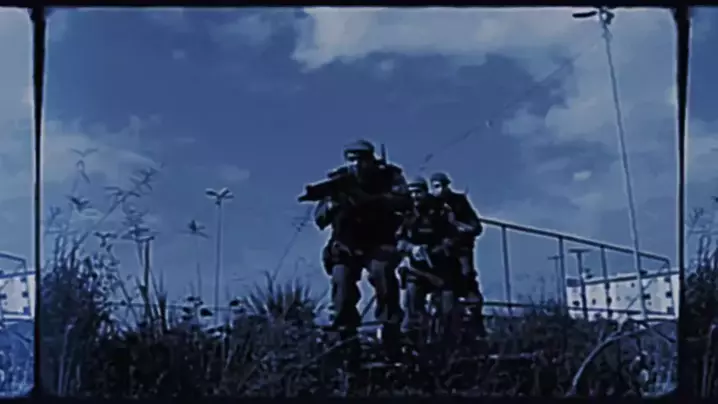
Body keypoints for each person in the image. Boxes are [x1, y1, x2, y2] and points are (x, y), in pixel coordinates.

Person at [313, 139, 409, 359]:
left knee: (382, 274)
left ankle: (391, 332)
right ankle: (346, 338)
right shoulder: (339, 180)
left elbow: (404, 202)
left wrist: (374, 201)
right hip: (346, 243)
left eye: (361, 159)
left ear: (371, 160)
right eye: (351, 159)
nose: (356, 164)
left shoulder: (389, 177)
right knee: (341, 281)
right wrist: (332, 204)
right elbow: (320, 219)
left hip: (379, 240)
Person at [396, 176, 464, 348]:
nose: (415, 196)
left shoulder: (441, 211)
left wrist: (436, 250)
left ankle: (449, 346)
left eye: (418, 192)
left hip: (442, 268)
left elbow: (454, 236)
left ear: (425, 192)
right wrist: (411, 248)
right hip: (416, 269)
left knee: (448, 312)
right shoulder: (405, 213)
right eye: (411, 193)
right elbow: (397, 240)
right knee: (412, 307)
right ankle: (412, 346)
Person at [429, 171, 487, 337]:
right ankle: (444, 327)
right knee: (442, 286)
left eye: (443, 185)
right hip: (439, 251)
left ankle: (474, 322)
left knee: (467, 278)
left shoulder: (459, 201)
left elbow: (476, 227)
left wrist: (458, 226)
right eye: (436, 186)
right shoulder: (429, 203)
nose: (441, 189)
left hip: (461, 249)